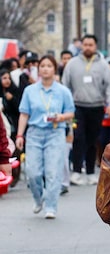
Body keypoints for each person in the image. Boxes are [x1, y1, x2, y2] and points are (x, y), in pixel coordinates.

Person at [14, 56, 75, 218]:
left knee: (53, 172)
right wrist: (20, 135)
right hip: (34, 133)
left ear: (54, 69)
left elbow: (70, 112)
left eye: (49, 66)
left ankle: (51, 206)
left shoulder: (62, 91)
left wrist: (60, 117)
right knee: (32, 171)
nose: (45, 69)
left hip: (55, 132)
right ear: (38, 69)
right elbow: (24, 114)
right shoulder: (30, 90)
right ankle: (38, 198)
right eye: (42, 66)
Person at [62, 34, 110, 185]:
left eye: (90, 45)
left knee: (93, 140)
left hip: (96, 107)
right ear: (81, 46)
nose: (87, 47)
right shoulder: (72, 63)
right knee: (78, 138)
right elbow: (65, 85)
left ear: (95, 46)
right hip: (77, 106)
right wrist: (65, 106)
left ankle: (91, 172)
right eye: (85, 44)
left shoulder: (103, 64)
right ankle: (77, 171)